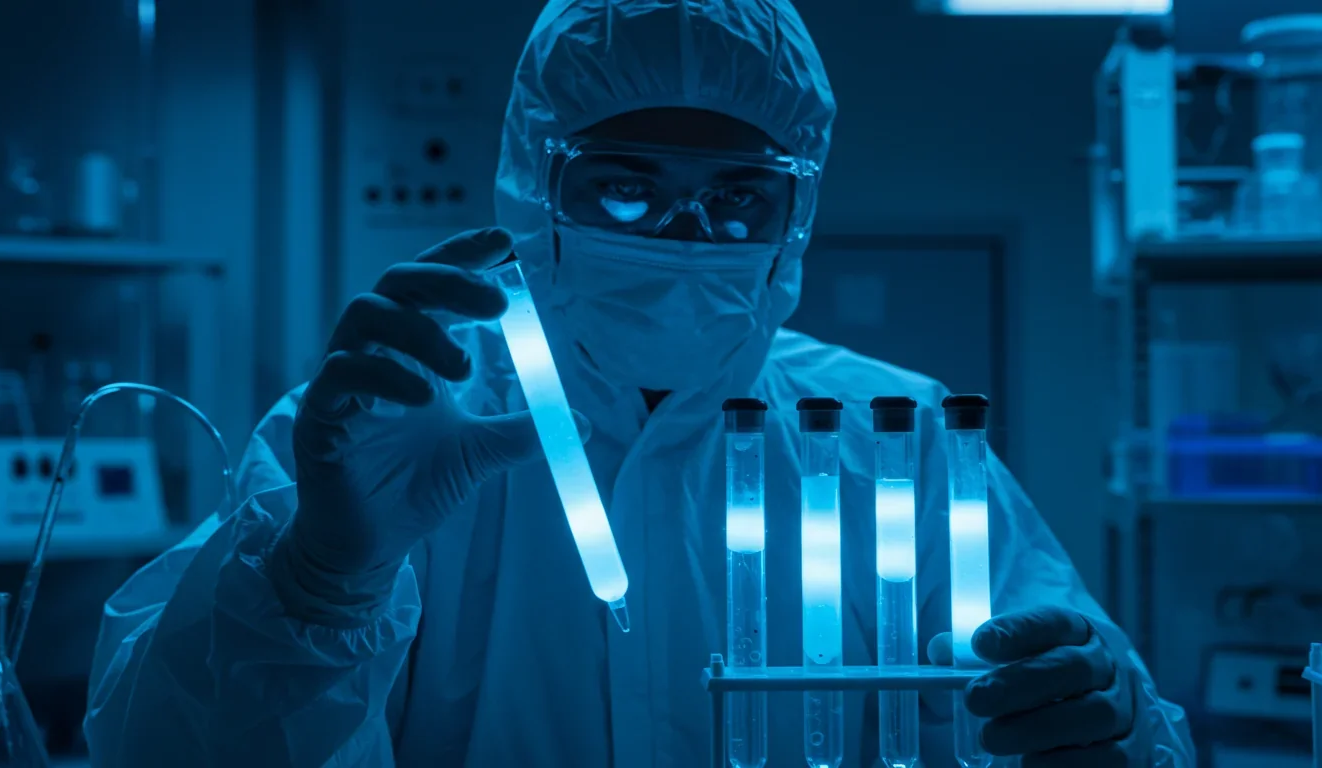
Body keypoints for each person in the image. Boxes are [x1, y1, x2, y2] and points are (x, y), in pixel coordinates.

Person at [84, 0, 1196, 766]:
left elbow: (1100, 719)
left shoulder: (900, 439)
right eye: (622, 191)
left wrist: (1110, 722)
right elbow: (153, 747)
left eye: (736, 200)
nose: (681, 236)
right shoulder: (384, 426)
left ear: (793, 214)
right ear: (536, 186)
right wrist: (320, 577)